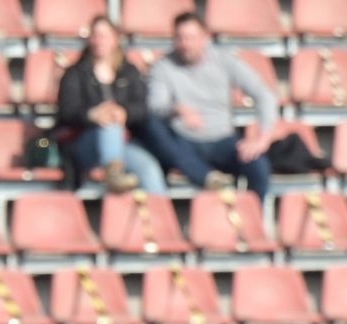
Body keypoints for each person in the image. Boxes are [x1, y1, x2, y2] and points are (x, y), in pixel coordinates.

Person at [140, 10, 278, 197]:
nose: (185, 44)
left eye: (190, 38)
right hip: (184, 141)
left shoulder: (224, 60)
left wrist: (263, 139)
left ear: (204, 37)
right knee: (151, 125)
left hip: (223, 140)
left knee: (258, 165)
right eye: (180, 38)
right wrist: (177, 109)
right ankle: (206, 177)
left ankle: (253, 220)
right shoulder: (163, 66)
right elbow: (155, 104)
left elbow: (264, 95)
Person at [56, 16, 167, 194]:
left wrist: (124, 112)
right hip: (84, 143)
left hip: (122, 143)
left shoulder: (129, 71)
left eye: (104, 35)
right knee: (109, 125)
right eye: (96, 35)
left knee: (149, 168)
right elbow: (66, 111)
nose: (99, 41)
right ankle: (114, 174)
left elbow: (142, 108)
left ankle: (161, 217)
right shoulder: (75, 73)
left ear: (116, 39)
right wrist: (92, 114)